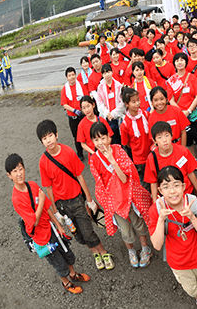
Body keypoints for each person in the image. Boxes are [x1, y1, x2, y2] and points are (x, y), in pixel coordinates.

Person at [6, 153, 91, 294]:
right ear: (9, 175)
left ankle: (73, 274)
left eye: (20, 169)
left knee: (66, 252)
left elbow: (46, 206)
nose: (19, 174)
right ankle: (66, 283)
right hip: (41, 239)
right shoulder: (16, 199)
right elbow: (34, 220)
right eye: (15, 171)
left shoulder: (32, 185)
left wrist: (58, 225)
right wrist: (40, 200)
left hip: (52, 230)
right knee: (58, 262)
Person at [36, 119, 113, 270]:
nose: (48, 140)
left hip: (77, 200)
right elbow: (49, 188)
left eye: (50, 135)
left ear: (56, 135)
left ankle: (103, 252)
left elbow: (80, 176)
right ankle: (95, 253)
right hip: (62, 205)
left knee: (87, 231)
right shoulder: (43, 162)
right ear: (42, 142)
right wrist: (55, 212)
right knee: (77, 234)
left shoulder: (69, 152)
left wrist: (90, 200)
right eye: (44, 138)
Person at [148, 166, 197, 309]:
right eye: (166, 186)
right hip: (178, 262)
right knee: (190, 287)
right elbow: (157, 245)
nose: (172, 191)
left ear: (183, 186)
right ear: (160, 191)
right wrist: (160, 219)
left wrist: (192, 217)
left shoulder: (194, 203)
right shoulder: (156, 210)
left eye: (176, 185)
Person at [89, 121, 153, 268]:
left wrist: (112, 161)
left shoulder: (118, 150)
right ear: (92, 141)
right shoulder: (94, 160)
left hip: (130, 196)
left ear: (109, 137)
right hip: (115, 202)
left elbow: (125, 178)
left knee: (138, 223)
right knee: (125, 230)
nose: (100, 142)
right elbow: (100, 185)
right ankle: (131, 251)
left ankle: (145, 248)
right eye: (96, 139)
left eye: (102, 138)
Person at [144, 121, 197, 204]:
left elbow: (190, 173)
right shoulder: (151, 158)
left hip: (186, 193)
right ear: (154, 140)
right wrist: (155, 203)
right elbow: (153, 182)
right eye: (159, 137)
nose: (164, 140)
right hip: (168, 198)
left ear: (172, 136)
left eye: (167, 135)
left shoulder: (183, 151)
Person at [167, 52, 197, 169]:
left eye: (182, 60)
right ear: (174, 63)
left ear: (186, 62)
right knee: (187, 138)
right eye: (177, 60)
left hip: (194, 114)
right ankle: (193, 159)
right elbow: (170, 99)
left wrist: (188, 111)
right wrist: (181, 112)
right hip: (180, 115)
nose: (179, 62)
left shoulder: (192, 77)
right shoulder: (171, 80)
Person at [119, 88, 152, 190]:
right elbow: (126, 143)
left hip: (151, 153)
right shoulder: (124, 124)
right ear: (126, 104)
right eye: (133, 101)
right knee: (145, 184)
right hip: (139, 159)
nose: (137, 103)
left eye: (138, 100)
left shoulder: (146, 115)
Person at [61, 67, 86, 160]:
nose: (71, 77)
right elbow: (64, 104)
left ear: (75, 75)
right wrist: (74, 110)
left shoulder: (81, 85)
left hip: (83, 116)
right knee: (77, 137)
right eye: (69, 75)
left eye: (73, 75)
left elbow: (85, 97)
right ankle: (80, 154)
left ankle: (93, 152)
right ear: (67, 78)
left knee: (87, 134)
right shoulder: (65, 89)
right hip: (73, 118)